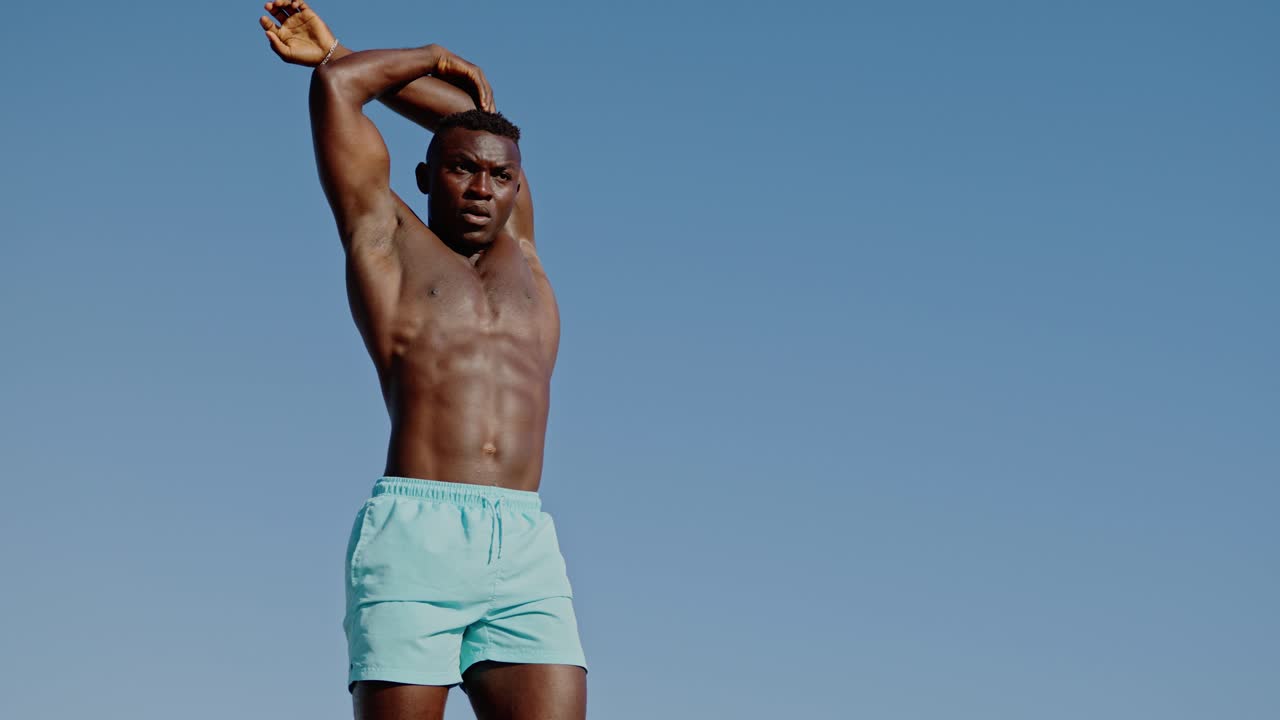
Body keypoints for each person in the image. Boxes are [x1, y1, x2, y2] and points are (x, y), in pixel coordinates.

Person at [259, 3, 588, 718]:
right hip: (416, 536)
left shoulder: (522, 252)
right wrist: (424, 55)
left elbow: (478, 123)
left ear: (517, 185)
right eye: (461, 170)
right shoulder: (385, 241)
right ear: (424, 174)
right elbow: (341, 90)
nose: (481, 188)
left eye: (499, 176)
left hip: (524, 544)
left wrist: (342, 49)